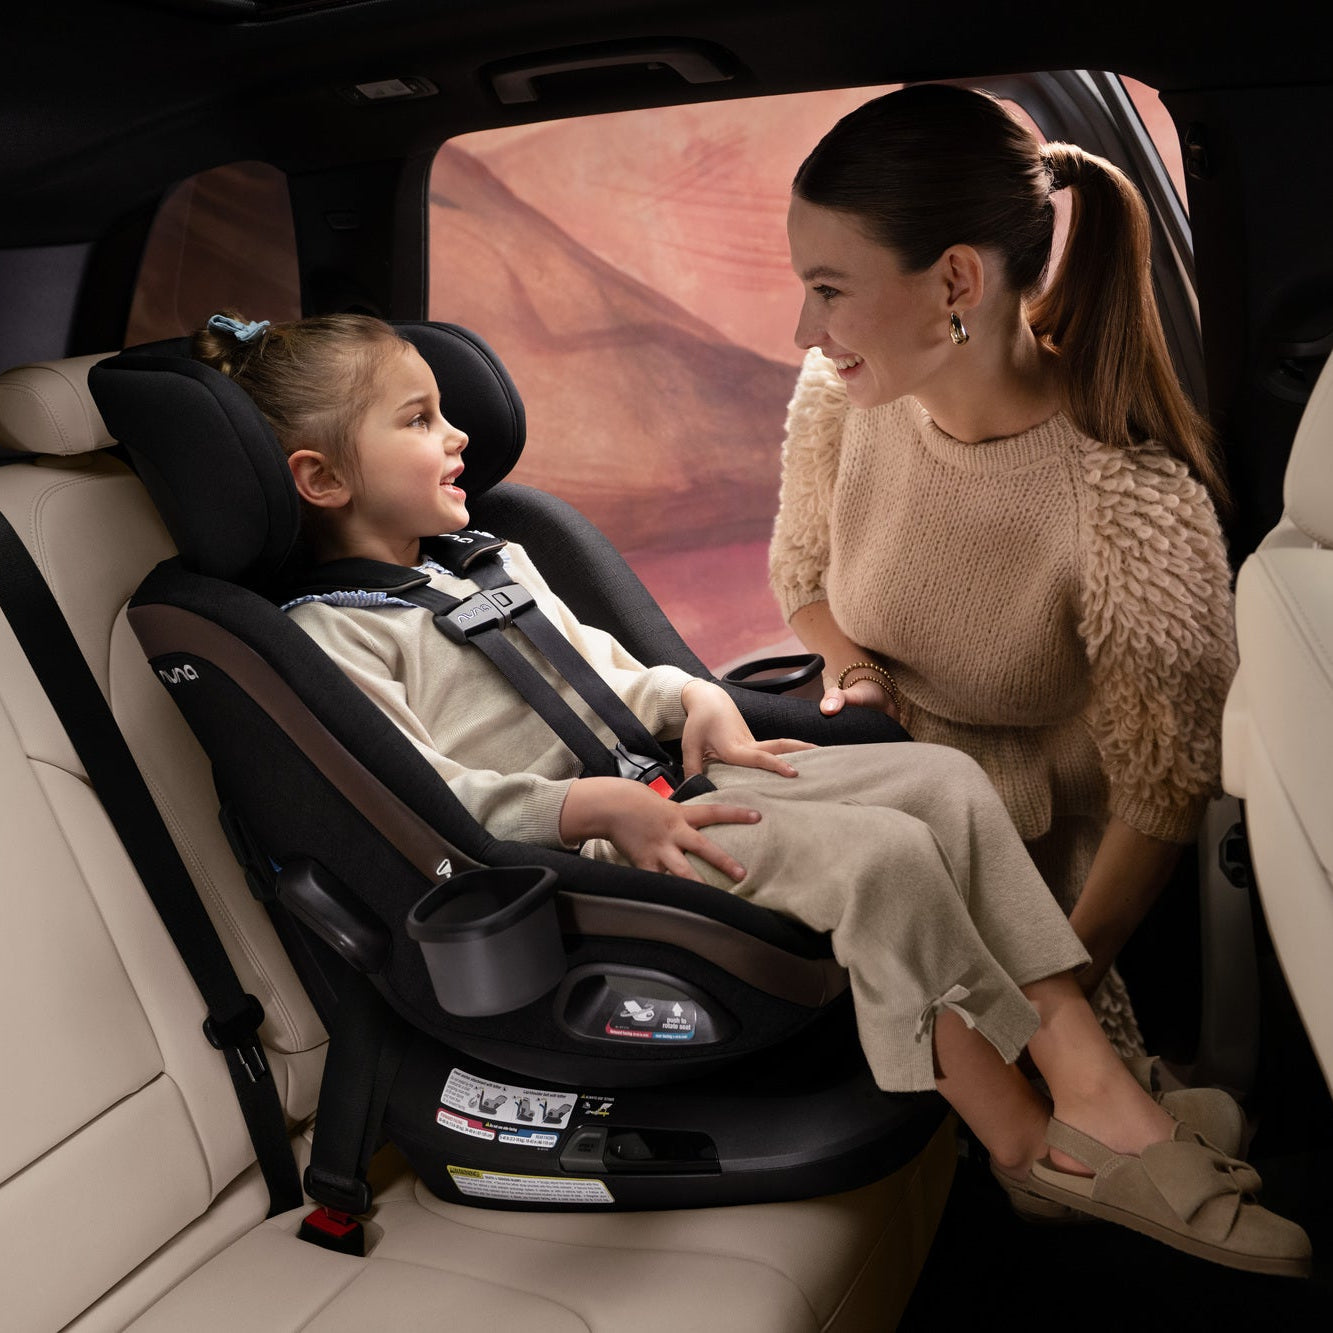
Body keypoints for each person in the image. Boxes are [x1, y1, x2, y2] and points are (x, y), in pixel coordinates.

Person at [191, 309, 1308, 1276]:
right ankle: (1027, 1145)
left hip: (675, 775)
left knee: (943, 782)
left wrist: (695, 698)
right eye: (419, 419)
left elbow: (607, 672)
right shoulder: (332, 638)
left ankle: (1089, 1077)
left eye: (446, 411)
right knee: (882, 858)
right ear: (321, 479)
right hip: (587, 855)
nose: (459, 435)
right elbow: (430, 800)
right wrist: (593, 809)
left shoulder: (493, 557)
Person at [769, 84, 1239, 1054]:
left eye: (829, 290)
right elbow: (803, 578)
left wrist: (1053, 993)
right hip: (880, 797)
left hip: (1036, 880)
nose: (804, 330)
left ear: (954, 282)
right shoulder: (841, 399)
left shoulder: (1130, 509)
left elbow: (1164, 787)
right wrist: (856, 672)